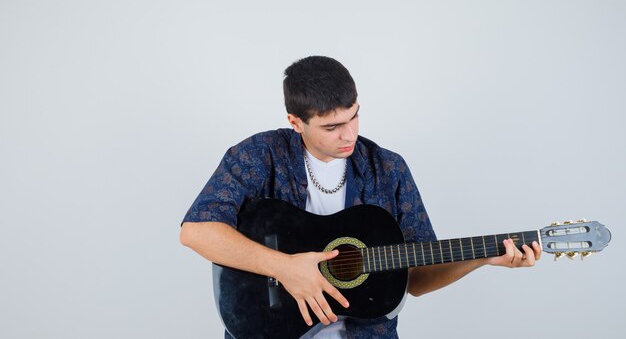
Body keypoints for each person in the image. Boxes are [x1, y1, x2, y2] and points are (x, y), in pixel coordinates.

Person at [180, 56, 541, 339]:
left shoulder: (387, 169)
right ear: (295, 121)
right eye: (331, 127)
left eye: (354, 117)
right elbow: (196, 230)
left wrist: (482, 258)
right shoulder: (259, 155)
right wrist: (286, 268)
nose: (348, 134)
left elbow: (417, 279)